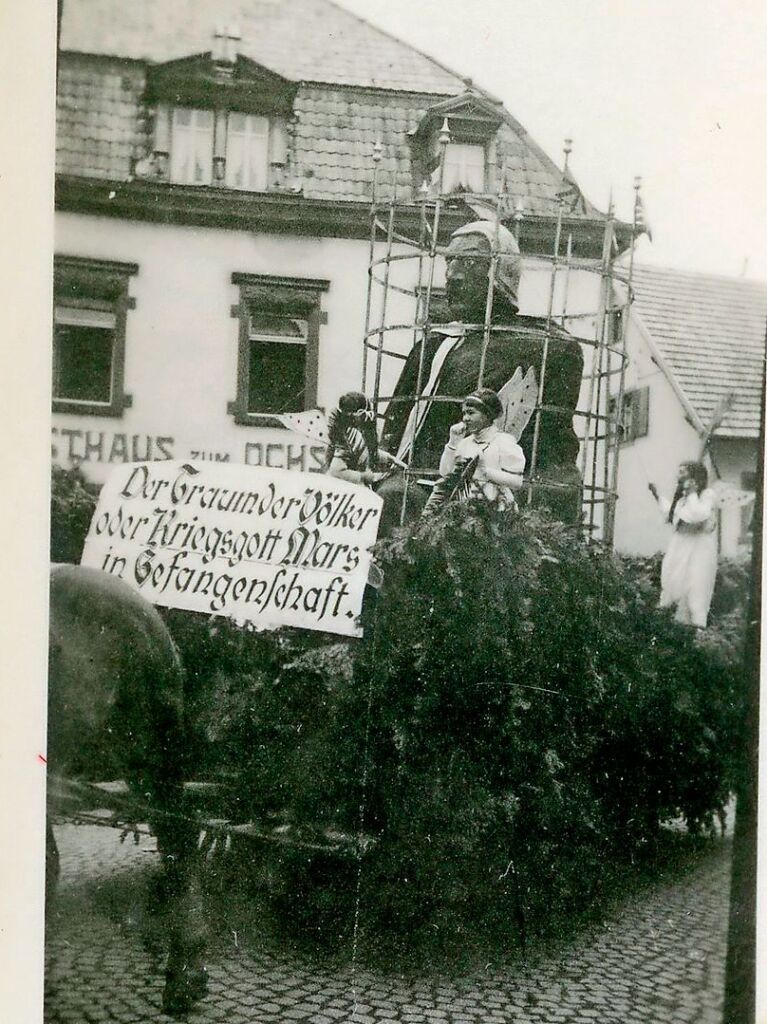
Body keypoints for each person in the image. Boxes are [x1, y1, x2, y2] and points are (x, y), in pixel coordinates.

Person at [381, 219, 583, 522]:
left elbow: (555, 456)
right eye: (450, 262)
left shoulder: (550, 347)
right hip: (426, 484)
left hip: (493, 488)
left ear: (501, 272)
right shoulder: (433, 347)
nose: (454, 276)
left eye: (472, 263)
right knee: (390, 497)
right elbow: (394, 437)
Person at [424, 388, 525, 514]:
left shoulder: (503, 442)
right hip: (464, 508)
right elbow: (445, 473)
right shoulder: (465, 443)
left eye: (471, 413)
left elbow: (517, 482)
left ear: (487, 415)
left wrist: (485, 471)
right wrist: (453, 441)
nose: (465, 418)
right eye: (464, 413)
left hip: (494, 508)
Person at [648, 461, 719, 628]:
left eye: (683, 472)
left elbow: (697, 515)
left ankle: (698, 631)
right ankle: (675, 629)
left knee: (697, 587)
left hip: (699, 549)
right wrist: (657, 495)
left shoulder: (706, 495)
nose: (678, 476)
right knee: (672, 583)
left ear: (694, 478)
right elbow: (671, 514)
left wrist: (693, 493)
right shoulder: (682, 500)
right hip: (680, 546)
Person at [323, 390, 394, 486]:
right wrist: (367, 477)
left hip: (362, 420)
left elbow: (369, 448)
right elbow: (335, 469)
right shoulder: (337, 422)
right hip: (345, 480)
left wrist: (388, 458)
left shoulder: (364, 420)